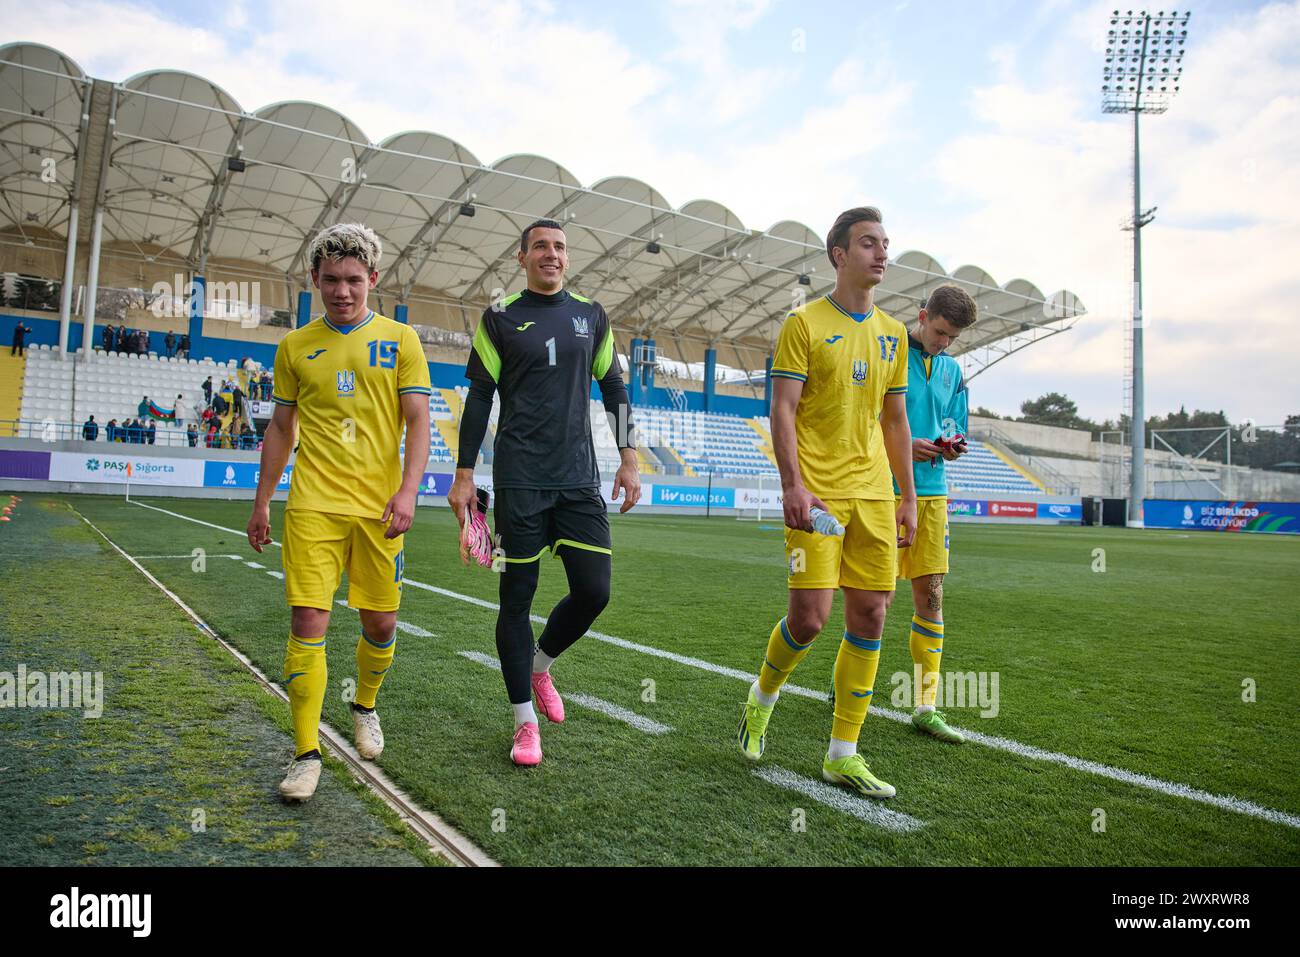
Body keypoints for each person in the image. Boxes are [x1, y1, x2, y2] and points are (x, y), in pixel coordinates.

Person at [735, 206, 917, 799]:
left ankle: (843, 754)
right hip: (817, 493)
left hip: (874, 494)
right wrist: (792, 483)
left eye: (885, 244)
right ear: (839, 255)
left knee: (871, 616)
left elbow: (895, 420)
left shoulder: (894, 334)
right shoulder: (804, 324)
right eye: (869, 243)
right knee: (810, 619)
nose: (881, 253)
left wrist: (906, 497)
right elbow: (782, 408)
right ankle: (761, 699)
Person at [246, 222, 431, 803]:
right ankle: (305, 753)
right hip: (313, 506)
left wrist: (407, 492)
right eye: (331, 280)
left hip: (379, 510)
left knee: (380, 625)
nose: (343, 291)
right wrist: (262, 502)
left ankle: (365, 705)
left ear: (373, 279)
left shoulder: (401, 339)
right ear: (314, 281)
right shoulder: (295, 347)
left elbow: (419, 420)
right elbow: (280, 428)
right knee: (308, 624)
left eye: (354, 280)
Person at [448, 218, 641, 768]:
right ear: (522, 257)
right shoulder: (499, 318)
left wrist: (629, 457)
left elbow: (615, 388)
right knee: (516, 602)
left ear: (567, 258)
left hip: (578, 479)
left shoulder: (592, 316)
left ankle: (540, 666)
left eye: (559, 247)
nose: (550, 255)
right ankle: (524, 724)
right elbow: (480, 399)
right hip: (519, 481)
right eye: (540, 247)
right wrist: (464, 476)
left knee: (594, 591)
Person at [862, 283, 977, 745]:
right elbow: (864, 417)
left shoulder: (952, 372)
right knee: (877, 601)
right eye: (941, 331)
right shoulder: (887, 352)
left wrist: (951, 445)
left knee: (931, 597)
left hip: (933, 496)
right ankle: (847, 683)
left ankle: (926, 706)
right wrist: (902, 446)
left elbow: (956, 424)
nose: (944, 342)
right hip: (882, 493)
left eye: (953, 338)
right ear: (923, 314)